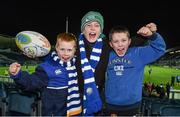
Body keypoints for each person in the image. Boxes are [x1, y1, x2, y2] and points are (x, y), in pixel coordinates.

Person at [9, 33, 82, 116]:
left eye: (69, 50)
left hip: (75, 112)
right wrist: (18, 75)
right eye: (62, 49)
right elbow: (32, 82)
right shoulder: (48, 68)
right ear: (57, 48)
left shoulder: (77, 65)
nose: (65, 53)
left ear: (75, 50)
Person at [105, 23, 166, 116]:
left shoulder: (138, 53)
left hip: (133, 106)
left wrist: (152, 35)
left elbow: (159, 49)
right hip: (111, 105)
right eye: (116, 41)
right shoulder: (106, 56)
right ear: (111, 44)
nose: (120, 44)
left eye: (123, 40)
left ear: (129, 42)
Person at [76, 11, 110, 115]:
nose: (92, 28)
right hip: (77, 98)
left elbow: (127, 43)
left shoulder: (108, 46)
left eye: (97, 25)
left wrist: (149, 36)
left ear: (101, 30)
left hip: (99, 98)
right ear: (83, 29)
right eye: (88, 25)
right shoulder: (74, 46)